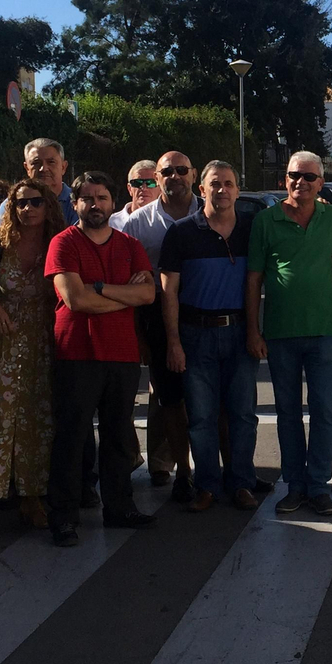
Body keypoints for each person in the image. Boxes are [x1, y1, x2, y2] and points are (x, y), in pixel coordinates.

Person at [44, 171, 157, 546]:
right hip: (76, 352)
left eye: (102, 197)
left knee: (118, 434)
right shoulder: (63, 243)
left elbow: (148, 296)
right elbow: (76, 300)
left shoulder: (129, 245)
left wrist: (100, 290)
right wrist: (122, 295)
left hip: (122, 354)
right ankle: (63, 517)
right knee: (71, 437)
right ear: (75, 203)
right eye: (87, 198)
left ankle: (120, 507)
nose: (95, 204)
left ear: (112, 202)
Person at [0, 177, 65, 539]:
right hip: (5, 345)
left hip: (46, 343)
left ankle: (32, 498)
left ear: (48, 205)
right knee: (1, 423)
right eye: (20, 203)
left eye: (36, 202)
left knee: (39, 424)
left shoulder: (59, 243)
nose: (28, 209)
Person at [161, 160, 260, 511]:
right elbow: (168, 291)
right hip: (195, 334)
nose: (222, 190)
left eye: (229, 184)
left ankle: (242, 483)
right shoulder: (182, 232)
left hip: (239, 334)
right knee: (201, 417)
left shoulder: (251, 229)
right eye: (215, 184)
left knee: (243, 415)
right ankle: (206, 486)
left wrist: (254, 331)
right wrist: (173, 341)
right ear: (201, 189)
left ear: (237, 189)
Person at [247, 151, 332, 516]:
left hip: (323, 331)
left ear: (320, 183)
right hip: (280, 333)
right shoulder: (265, 221)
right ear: (285, 179)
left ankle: (318, 486)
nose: (299, 182)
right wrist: (254, 329)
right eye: (293, 175)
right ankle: (294, 485)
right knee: (287, 413)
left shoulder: (331, 218)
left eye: (308, 177)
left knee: (324, 411)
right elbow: (254, 279)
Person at [121, 150, 203, 493]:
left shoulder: (211, 212)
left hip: (202, 312)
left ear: (193, 174)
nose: (175, 176)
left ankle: (214, 469)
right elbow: (129, 282)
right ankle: (181, 471)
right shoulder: (136, 225)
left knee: (208, 398)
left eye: (181, 170)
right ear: (158, 178)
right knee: (169, 400)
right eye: (167, 171)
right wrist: (140, 335)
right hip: (156, 314)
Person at [109, 160, 160, 230]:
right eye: (137, 183)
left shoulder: (166, 223)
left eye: (151, 183)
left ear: (160, 189)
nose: (144, 188)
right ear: (129, 189)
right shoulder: (111, 223)